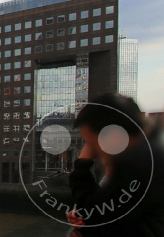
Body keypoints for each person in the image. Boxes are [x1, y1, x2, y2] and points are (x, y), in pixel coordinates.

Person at [67, 93, 164, 236]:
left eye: (92, 144)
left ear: (114, 137)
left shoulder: (139, 165)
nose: (96, 153)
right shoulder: (152, 154)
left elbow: (96, 217)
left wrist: (83, 163)